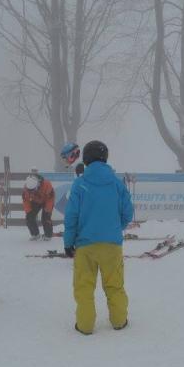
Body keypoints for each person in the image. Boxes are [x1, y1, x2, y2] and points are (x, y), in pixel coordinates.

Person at [63, 140, 134, 335]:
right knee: (114, 285)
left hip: (85, 246)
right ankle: (119, 321)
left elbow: (71, 217)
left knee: (84, 286)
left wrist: (69, 243)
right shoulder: (117, 184)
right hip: (112, 246)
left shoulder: (80, 184)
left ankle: (85, 325)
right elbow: (128, 213)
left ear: (85, 159)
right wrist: (113, 228)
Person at [22, 173, 55, 241]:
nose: (31, 192)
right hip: (35, 201)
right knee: (29, 218)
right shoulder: (26, 189)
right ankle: (35, 234)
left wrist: (47, 210)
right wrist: (28, 211)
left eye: (33, 190)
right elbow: (26, 201)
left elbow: (51, 198)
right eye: (30, 191)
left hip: (47, 200)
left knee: (46, 218)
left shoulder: (47, 184)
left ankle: (48, 235)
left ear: (38, 184)